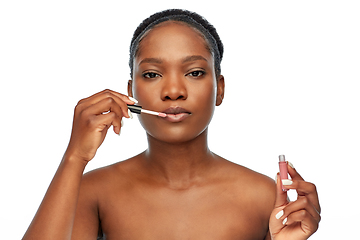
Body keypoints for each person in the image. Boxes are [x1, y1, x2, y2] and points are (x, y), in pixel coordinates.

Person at [22, 9, 320, 240]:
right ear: (131, 92)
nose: (173, 90)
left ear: (220, 89)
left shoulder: (264, 196)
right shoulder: (94, 191)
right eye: (152, 74)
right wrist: (75, 157)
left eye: (194, 72)